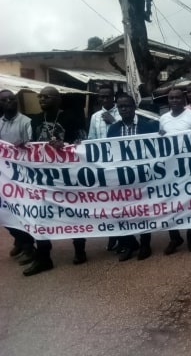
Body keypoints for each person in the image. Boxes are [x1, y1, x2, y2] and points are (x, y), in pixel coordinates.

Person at [25, 86, 87, 276]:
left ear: (58, 100)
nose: (42, 99)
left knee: (75, 212)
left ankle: (79, 249)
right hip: (43, 178)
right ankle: (44, 257)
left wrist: (66, 146)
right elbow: (29, 145)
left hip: (68, 176)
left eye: (47, 97)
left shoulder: (72, 118)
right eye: (40, 97)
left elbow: (82, 145)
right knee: (40, 215)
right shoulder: (34, 120)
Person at [107, 95, 159, 261]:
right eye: (121, 107)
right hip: (121, 177)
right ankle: (129, 243)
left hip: (143, 175)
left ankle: (145, 244)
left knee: (144, 210)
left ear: (134, 107)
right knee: (122, 211)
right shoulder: (113, 129)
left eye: (127, 106)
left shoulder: (148, 126)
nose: (124, 110)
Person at [159, 88, 191, 255]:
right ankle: (175, 238)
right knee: (171, 204)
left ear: (183, 100)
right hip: (170, 169)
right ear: (168, 100)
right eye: (171, 98)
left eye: (178, 98)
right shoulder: (163, 119)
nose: (175, 100)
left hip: (189, 168)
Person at [0, 90, 36, 266]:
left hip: (23, 176)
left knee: (23, 212)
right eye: (5, 100)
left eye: (12, 99)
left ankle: (28, 246)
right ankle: (19, 239)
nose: (9, 102)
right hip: (4, 176)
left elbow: (34, 147)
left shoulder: (26, 122)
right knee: (5, 212)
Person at [87, 85, 121, 252]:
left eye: (108, 96)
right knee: (108, 201)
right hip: (103, 164)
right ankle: (113, 234)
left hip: (120, 162)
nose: (105, 99)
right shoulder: (94, 117)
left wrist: (114, 122)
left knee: (122, 199)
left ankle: (124, 235)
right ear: (99, 98)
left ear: (113, 97)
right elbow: (91, 139)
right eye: (102, 97)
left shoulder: (122, 110)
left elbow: (128, 133)